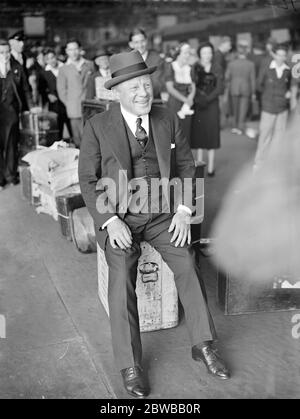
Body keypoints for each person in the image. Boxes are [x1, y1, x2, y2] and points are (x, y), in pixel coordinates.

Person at [78, 50, 230, 399]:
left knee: (188, 262)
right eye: (134, 87)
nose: (143, 92)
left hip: (163, 214)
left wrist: (181, 210)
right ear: (117, 92)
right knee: (120, 276)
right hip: (120, 216)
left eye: (146, 83)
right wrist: (110, 221)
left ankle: (203, 344)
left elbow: (187, 166)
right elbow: (87, 180)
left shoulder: (167, 118)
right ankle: (130, 364)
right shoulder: (97, 126)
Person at [0, 39, 31, 190]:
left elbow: (26, 89)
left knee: (11, 144)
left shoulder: (17, 67)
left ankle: (11, 175)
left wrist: (29, 107)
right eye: (1, 52)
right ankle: (0, 179)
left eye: (7, 52)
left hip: (11, 112)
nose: (5, 55)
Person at [254, 44, 292, 168]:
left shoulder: (288, 70)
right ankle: (259, 163)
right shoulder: (266, 68)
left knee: (279, 137)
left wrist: (289, 92)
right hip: (268, 107)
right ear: (274, 54)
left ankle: (274, 165)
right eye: (279, 55)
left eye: (284, 55)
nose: (281, 57)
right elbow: (259, 85)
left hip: (282, 108)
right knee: (265, 136)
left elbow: (292, 86)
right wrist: (266, 97)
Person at [190, 42, 224, 176]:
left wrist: (207, 99)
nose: (207, 55)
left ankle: (210, 167)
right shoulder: (195, 67)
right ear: (199, 54)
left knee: (211, 134)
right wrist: (198, 98)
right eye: (204, 53)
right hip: (198, 103)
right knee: (198, 135)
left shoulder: (217, 67)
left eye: (209, 52)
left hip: (211, 104)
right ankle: (199, 165)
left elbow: (219, 87)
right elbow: (192, 83)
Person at [57, 38, 94, 147]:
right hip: (73, 107)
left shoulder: (89, 64)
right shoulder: (63, 68)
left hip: (90, 106)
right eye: (70, 50)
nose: (73, 52)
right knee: (78, 138)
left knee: (91, 136)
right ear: (67, 51)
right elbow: (62, 90)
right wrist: (69, 104)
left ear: (80, 50)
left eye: (76, 49)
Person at [165, 43, 195, 145]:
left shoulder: (190, 68)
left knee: (186, 132)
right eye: (185, 53)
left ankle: (185, 159)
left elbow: (192, 86)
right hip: (174, 103)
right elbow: (170, 88)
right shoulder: (171, 67)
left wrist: (190, 99)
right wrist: (185, 99)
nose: (188, 55)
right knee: (174, 132)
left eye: (189, 53)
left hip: (187, 104)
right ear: (179, 53)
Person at [226, 40, 256, 135]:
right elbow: (253, 80)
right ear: (246, 53)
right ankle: (240, 127)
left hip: (234, 88)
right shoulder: (251, 64)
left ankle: (235, 126)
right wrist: (253, 93)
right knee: (243, 108)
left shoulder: (231, 64)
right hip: (246, 88)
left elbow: (227, 77)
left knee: (235, 109)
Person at [128, 27, 165, 100]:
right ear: (131, 44)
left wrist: (141, 95)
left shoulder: (157, 59)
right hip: (133, 103)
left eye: (142, 41)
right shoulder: (127, 61)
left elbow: (157, 84)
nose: (140, 45)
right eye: (136, 42)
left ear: (146, 41)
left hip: (153, 102)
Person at [43, 48, 72, 140]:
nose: (51, 60)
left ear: (56, 57)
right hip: (55, 104)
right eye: (48, 59)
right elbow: (42, 88)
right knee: (57, 129)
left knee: (72, 127)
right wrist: (48, 95)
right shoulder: (44, 72)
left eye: (52, 57)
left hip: (68, 101)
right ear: (46, 60)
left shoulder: (65, 67)